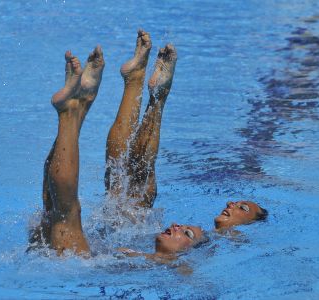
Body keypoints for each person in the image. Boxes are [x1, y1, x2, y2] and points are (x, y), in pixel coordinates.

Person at [29, 30, 206, 258]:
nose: (176, 226)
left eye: (187, 234)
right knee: (131, 195)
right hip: (96, 253)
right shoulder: (147, 256)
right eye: (185, 228)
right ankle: (135, 83)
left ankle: (74, 110)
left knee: (59, 213)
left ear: (186, 253)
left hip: (76, 264)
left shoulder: (176, 268)